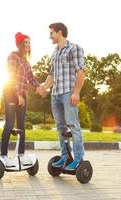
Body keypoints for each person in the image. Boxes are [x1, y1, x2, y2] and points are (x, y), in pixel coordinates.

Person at [41, 22, 86, 171]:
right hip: (55, 95)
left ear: (59, 32)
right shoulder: (54, 53)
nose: (50, 36)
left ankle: (79, 159)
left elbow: (81, 72)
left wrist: (76, 92)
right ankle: (65, 156)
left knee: (73, 126)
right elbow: (51, 75)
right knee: (61, 128)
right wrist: (43, 87)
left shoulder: (74, 48)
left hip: (68, 93)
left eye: (51, 33)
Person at [0, 32, 45, 165]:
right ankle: (3, 155)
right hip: (11, 93)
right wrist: (18, 95)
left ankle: (21, 154)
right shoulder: (13, 57)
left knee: (21, 125)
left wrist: (39, 88)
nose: (28, 45)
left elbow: (31, 79)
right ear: (19, 44)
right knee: (9, 123)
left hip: (22, 96)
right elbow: (11, 76)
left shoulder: (26, 62)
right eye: (25, 42)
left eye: (29, 42)